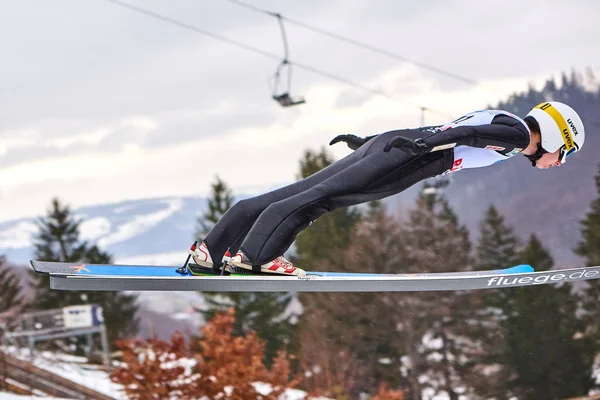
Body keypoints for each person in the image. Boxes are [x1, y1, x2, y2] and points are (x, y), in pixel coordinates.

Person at [190, 101, 585, 276]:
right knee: (319, 198)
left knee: (300, 191)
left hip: (395, 144)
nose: (558, 163)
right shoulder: (516, 135)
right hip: (410, 157)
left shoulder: (509, 121)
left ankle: (213, 250)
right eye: (563, 153)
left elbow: (444, 129)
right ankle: (257, 258)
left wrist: (370, 141)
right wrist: (421, 149)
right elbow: (466, 134)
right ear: (553, 135)